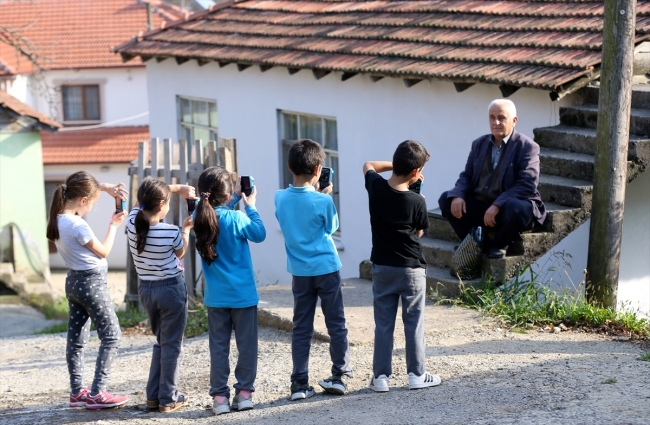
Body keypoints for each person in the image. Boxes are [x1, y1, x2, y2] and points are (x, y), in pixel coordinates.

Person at [275, 139, 353, 400]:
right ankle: (339, 375)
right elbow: (331, 228)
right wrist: (325, 196)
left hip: (300, 272)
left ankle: (299, 383)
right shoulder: (323, 201)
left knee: (301, 326)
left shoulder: (279, 198)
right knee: (336, 323)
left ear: (290, 167)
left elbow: (288, 218)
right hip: (327, 268)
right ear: (318, 169)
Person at [46, 171, 129, 409]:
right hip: (92, 283)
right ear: (83, 200)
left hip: (73, 282)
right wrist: (113, 225)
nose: (92, 207)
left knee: (76, 340)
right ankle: (98, 393)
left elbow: (78, 188)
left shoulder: (58, 219)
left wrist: (103, 187)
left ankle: (77, 392)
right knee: (112, 336)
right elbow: (104, 251)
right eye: (92, 203)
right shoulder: (77, 225)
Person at [363, 140, 442, 392]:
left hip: (383, 268)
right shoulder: (417, 201)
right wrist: (416, 192)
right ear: (416, 172)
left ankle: (381, 377)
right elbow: (418, 232)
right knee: (414, 323)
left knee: (384, 324)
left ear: (396, 163)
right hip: (411, 269)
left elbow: (368, 165)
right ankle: (416, 374)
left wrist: (395, 165)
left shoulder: (375, 187)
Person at [192, 167, 266, 415]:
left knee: (218, 349)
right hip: (243, 297)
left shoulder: (199, 217)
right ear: (225, 195)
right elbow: (260, 234)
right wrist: (250, 205)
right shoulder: (238, 218)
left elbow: (214, 210)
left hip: (216, 299)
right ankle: (244, 394)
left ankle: (220, 398)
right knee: (247, 347)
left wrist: (232, 197)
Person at [438, 99, 546, 259]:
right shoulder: (479, 144)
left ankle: (500, 245)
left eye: (501, 118)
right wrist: (458, 194)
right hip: (482, 204)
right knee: (446, 199)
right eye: (492, 117)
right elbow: (467, 176)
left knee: (515, 207)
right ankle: (477, 243)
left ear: (514, 120)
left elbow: (527, 184)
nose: (496, 122)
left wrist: (497, 205)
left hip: (508, 207)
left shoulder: (527, 147)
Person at [127, 177, 195, 413]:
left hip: (147, 290)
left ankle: (153, 396)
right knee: (172, 344)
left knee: (162, 341)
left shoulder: (131, 223)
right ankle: (168, 398)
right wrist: (186, 230)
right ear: (161, 205)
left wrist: (174, 190)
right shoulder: (170, 231)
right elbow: (181, 253)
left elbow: (139, 203)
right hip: (170, 290)